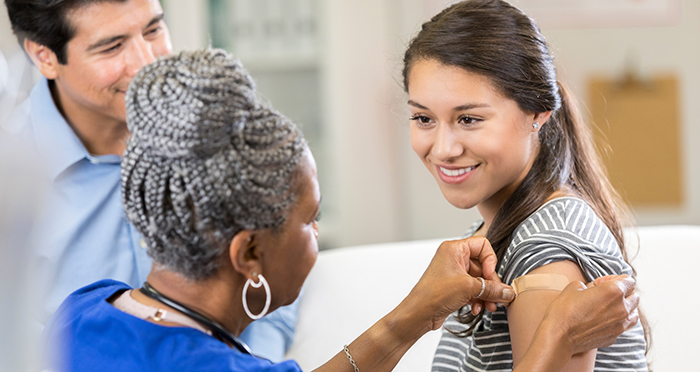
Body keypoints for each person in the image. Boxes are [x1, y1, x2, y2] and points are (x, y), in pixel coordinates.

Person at [41, 48, 641, 372]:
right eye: (308, 219)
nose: (317, 235)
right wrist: (558, 332)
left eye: (469, 117)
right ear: (249, 252)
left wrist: (415, 313)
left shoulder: (84, 309)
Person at [3, 0, 295, 360]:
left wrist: (248, 363)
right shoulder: (13, 188)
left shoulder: (209, 126)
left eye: (153, 30)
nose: (147, 62)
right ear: (45, 56)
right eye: (112, 47)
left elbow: (272, 266)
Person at [401, 1, 649, 371]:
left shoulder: (546, 246)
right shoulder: (500, 230)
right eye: (423, 118)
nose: (442, 149)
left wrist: (559, 335)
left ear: (537, 112)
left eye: (468, 119)